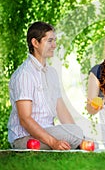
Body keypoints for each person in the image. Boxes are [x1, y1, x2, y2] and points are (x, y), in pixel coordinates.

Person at [7, 21, 85, 150]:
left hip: (47, 132)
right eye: (49, 41)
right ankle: (72, 142)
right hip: (25, 138)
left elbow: (61, 109)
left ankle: (75, 141)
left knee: (76, 132)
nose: (54, 45)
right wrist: (54, 142)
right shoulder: (25, 74)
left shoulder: (51, 73)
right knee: (75, 133)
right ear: (35, 43)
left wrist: (80, 138)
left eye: (54, 40)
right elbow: (25, 119)